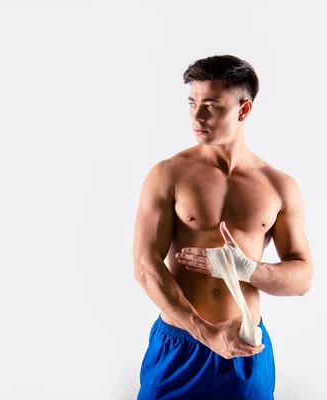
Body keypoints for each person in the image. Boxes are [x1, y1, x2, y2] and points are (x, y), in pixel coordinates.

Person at [133, 55, 313, 399]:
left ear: (243, 110)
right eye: (192, 103)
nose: (197, 116)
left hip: (246, 347)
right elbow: (145, 267)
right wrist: (204, 332)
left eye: (211, 105)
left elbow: (303, 278)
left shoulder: (278, 186)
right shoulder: (168, 174)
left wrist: (247, 270)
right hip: (179, 346)